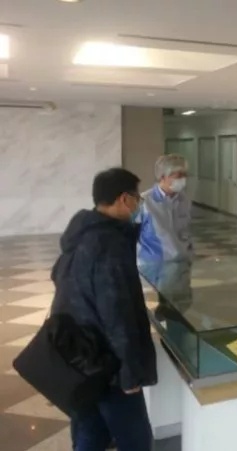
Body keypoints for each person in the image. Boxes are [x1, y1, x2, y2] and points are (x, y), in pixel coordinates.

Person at [51, 168, 156, 451]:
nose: (138, 204)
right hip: (108, 362)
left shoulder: (80, 233)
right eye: (136, 198)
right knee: (136, 440)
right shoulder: (109, 245)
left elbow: (58, 277)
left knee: (89, 432)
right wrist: (129, 375)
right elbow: (117, 315)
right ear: (124, 199)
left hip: (79, 354)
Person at [136, 154, 192, 264]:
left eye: (185, 175)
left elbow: (185, 231)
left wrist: (189, 254)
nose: (183, 179)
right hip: (152, 265)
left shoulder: (184, 200)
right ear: (162, 177)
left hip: (180, 263)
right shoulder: (144, 201)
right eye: (178, 176)